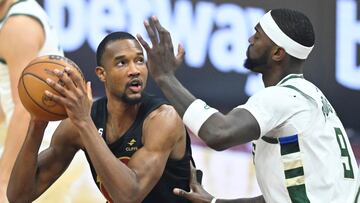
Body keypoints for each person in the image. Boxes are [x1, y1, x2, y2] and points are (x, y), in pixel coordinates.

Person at [137, 9, 359, 203]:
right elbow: (280, 196)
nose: (250, 39)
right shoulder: (312, 97)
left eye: (258, 35)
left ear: (277, 53)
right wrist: (215, 201)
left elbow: (219, 133)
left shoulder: (283, 98)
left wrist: (165, 77)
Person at [7, 31, 194, 203]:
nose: (134, 70)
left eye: (139, 61)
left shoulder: (163, 119)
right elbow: (19, 196)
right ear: (101, 74)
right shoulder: (82, 122)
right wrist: (37, 123)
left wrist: (84, 123)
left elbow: (129, 196)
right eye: (122, 63)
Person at [0, 0, 64, 202]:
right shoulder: (15, 16)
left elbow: (25, 109)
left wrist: (4, 181)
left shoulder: (18, 24)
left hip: (41, 145)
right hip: (34, 139)